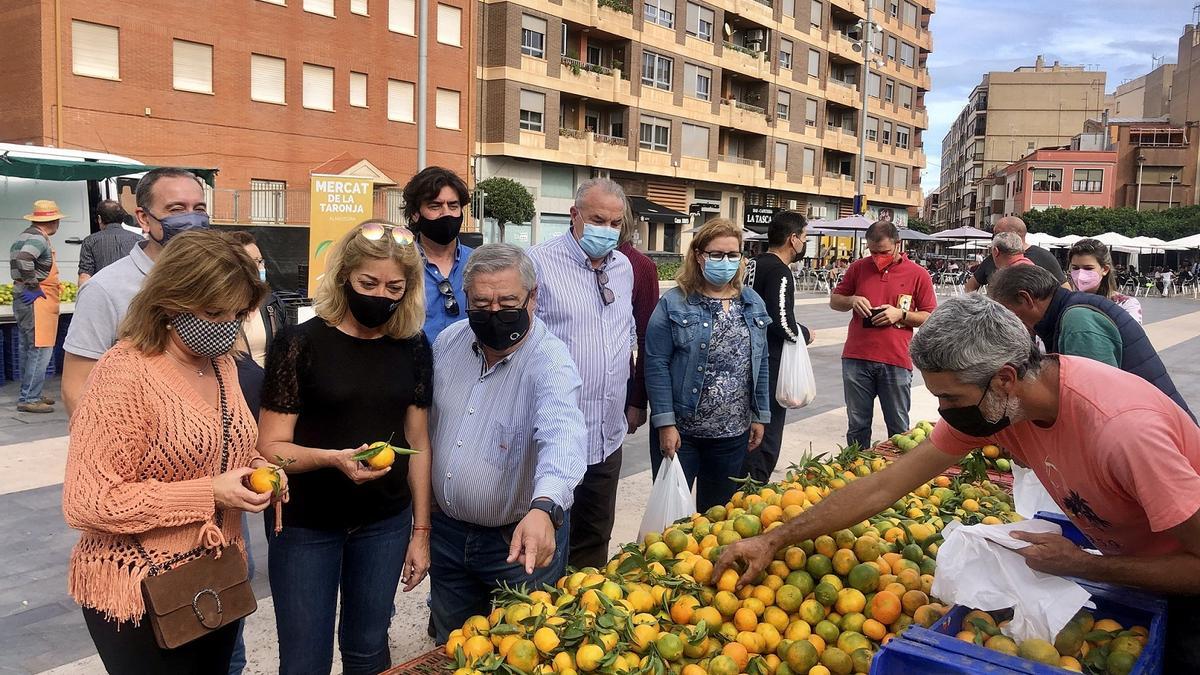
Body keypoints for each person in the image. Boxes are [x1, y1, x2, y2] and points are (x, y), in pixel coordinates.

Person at [714, 293, 1200, 673]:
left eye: (950, 397)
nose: (945, 412)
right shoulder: (999, 407)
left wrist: (1081, 565)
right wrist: (773, 537)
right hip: (1131, 576)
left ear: (1005, 379)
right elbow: (885, 487)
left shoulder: (1122, 430)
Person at [62, 230, 279, 674]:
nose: (227, 325)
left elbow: (223, 447)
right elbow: (88, 501)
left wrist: (257, 470)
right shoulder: (125, 373)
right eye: (214, 312)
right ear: (171, 300)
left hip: (213, 577)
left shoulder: (220, 363)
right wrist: (209, 494)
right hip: (138, 587)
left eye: (237, 313)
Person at [258, 220, 431, 675]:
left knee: (369, 650)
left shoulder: (412, 346)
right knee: (304, 660)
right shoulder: (299, 344)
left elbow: (418, 442)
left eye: (395, 286)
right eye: (368, 283)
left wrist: (421, 532)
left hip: (385, 523)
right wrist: (331, 460)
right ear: (344, 278)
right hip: (305, 525)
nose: (381, 296)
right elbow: (271, 446)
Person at [427, 243, 587, 643]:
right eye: (481, 303)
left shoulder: (550, 362)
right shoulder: (448, 343)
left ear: (533, 299)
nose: (494, 312)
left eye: (507, 301)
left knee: (523, 650)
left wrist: (545, 507)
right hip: (448, 537)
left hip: (517, 543)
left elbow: (563, 437)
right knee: (454, 650)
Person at [527, 178, 635, 570]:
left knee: (595, 539)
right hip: (557, 436)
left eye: (615, 223)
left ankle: (585, 615)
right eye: (597, 219)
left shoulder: (623, 267)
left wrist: (632, 401)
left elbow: (627, 333)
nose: (606, 230)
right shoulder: (538, 263)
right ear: (574, 216)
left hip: (607, 435)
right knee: (547, 542)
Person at [644, 219, 772, 511]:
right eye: (716, 254)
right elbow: (656, 364)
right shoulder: (675, 303)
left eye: (732, 255)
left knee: (716, 521)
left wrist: (759, 414)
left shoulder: (752, 303)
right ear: (699, 255)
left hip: (731, 436)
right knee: (673, 521)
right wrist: (665, 423)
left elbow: (761, 362)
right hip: (682, 434)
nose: (724, 261)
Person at [62, 168, 211, 414]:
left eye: (199, 209)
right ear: (143, 218)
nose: (192, 219)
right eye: (176, 209)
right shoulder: (104, 290)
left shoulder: (214, 279)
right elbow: (76, 387)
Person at [988, 265, 1194, 422]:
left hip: (1162, 438)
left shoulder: (1078, 321)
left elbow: (1095, 405)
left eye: (1008, 313)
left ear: (1026, 299)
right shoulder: (1069, 310)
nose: (1010, 323)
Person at [830, 220, 937, 449]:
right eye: (873, 251)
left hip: (896, 360)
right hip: (857, 358)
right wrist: (852, 300)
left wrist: (901, 314)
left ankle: (898, 477)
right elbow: (835, 301)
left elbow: (931, 316)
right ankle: (856, 472)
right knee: (857, 425)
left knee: (898, 427)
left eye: (884, 252)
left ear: (898, 245)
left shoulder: (918, 274)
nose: (878, 257)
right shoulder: (858, 268)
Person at [745, 210, 813, 482]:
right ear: (793, 239)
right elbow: (781, 322)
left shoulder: (753, 264)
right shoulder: (780, 271)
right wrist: (804, 334)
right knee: (767, 434)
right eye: (804, 237)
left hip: (747, 358)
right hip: (770, 364)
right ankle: (753, 487)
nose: (804, 243)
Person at [406, 167, 473, 344]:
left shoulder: (478, 263)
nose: (446, 213)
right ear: (415, 214)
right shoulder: (401, 264)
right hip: (416, 366)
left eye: (453, 206)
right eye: (435, 206)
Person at [10, 199, 64, 413]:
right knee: (40, 349)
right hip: (35, 299)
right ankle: (30, 398)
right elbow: (25, 259)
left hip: (22, 296)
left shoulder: (24, 235)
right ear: (52, 222)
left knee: (28, 347)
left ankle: (31, 391)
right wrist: (33, 284)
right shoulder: (39, 240)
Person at [618, 204, 658, 435]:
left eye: (614, 221)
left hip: (617, 391)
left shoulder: (641, 267)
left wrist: (638, 400)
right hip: (560, 388)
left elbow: (647, 337)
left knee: (605, 466)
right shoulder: (549, 260)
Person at [227, 231, 289, 369]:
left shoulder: (273, 304)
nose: (260, 267)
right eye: (254, 262)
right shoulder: (220, 310)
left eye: (260, 261)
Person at [965, 215, 1065, 292]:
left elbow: (1065, 289)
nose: (994, 237)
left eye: (998, 233)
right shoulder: (994, 257)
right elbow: (970, 286)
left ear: (1013, 235)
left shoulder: (1044, 257)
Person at [1066, 238, 1142, 324]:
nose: (1080, 274)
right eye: (1075, 268)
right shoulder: (1066, 302)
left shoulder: (1126, 305)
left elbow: (1131, 335)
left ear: (1105, 269)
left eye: (1088, 268)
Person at [78, 200, 144, 285]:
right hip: (132, 294)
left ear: (99, 219)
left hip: (103, 295)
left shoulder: (90, 241)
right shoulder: (139, 239)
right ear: (122, 219)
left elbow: (85, 276)